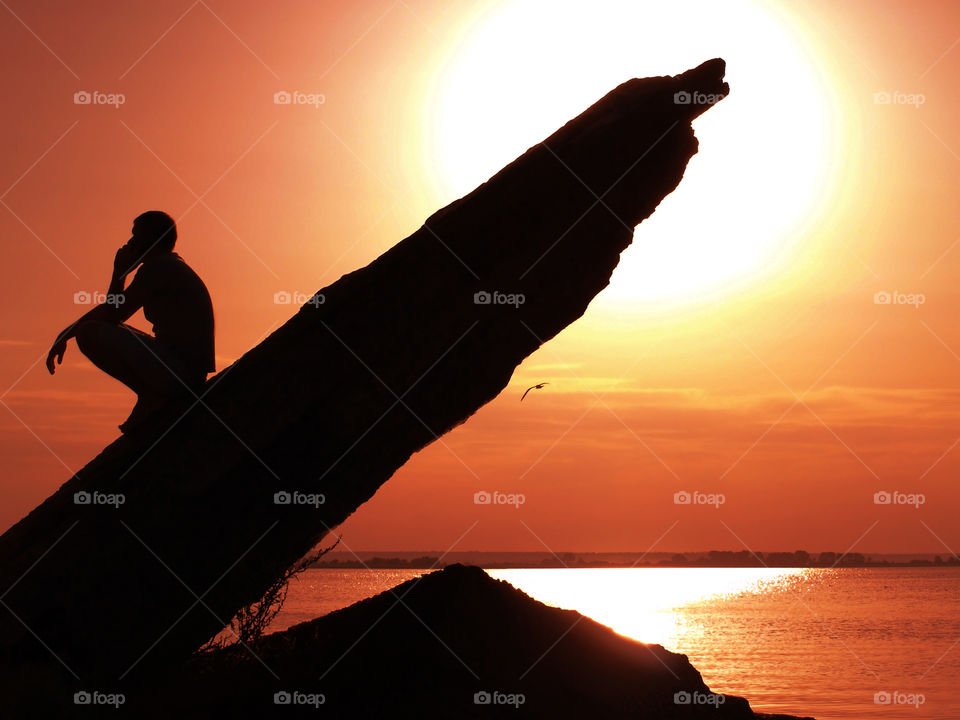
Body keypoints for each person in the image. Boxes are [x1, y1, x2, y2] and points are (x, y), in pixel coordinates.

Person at [46, 211, 215, 433]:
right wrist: (65, 333)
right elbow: (111, 311)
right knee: (90, 328)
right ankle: (150, 396)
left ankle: (151, 396)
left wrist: (119, 272)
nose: (130, 242)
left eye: (136, 235)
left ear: (150, 238)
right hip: (180, 368)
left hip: (180, 373)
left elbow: (112, 315)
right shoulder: (166, 266)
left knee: (89, 333)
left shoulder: (159, 268)